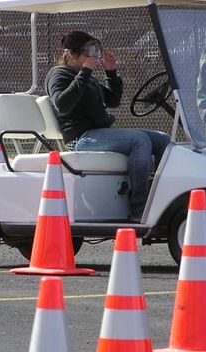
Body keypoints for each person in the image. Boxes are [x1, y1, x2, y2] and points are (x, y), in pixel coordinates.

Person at [44, 30, 171, 221]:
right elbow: (63, 104)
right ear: (71, 53)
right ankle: (139, 208)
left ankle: (159, 195)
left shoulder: (85, 76)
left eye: (96, 50)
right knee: (139, 141)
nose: (93, 56)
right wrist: (85, 72)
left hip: (98, 133)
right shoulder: (59, 74)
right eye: (88, 51)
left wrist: (111, 73)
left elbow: (113, 101)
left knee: (163, 140)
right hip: (81, 138)